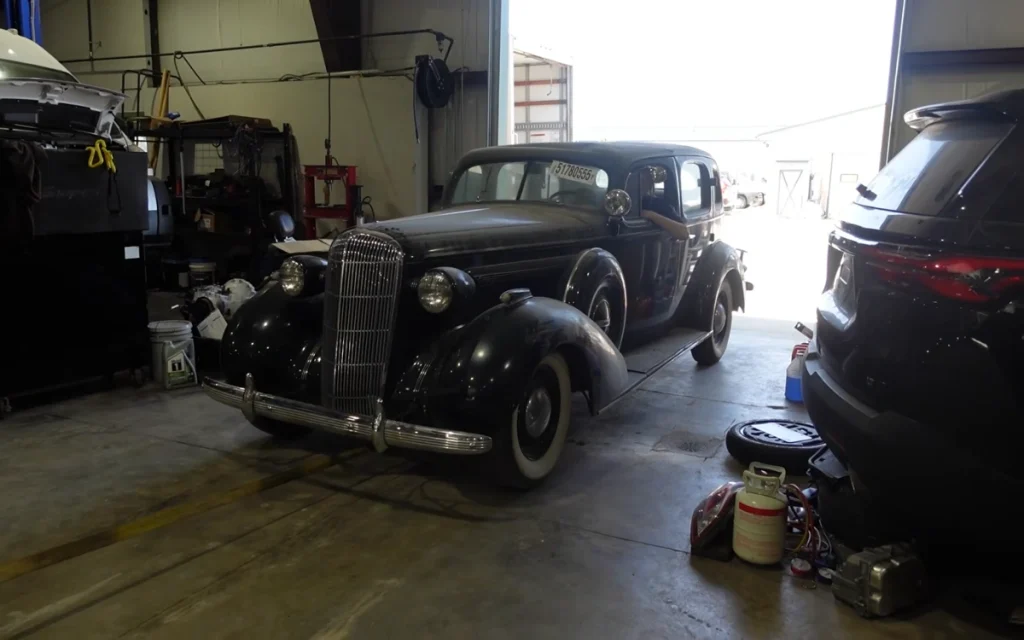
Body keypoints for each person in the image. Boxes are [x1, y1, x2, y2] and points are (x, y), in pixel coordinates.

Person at [637, 166, 690, 241]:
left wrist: (651, 215)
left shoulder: (656, 204)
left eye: (645, 180)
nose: (640, 183)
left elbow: (684, 233)